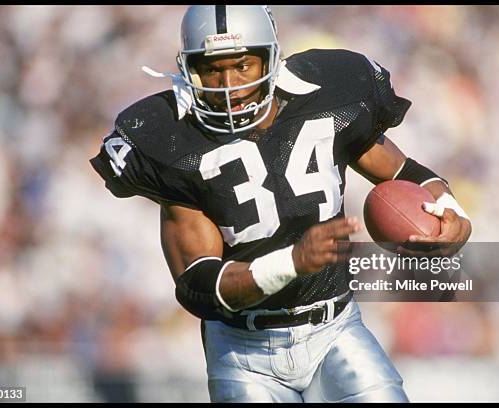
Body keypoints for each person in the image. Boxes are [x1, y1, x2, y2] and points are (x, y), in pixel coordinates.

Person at [90, 5, 472, 402]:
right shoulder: (172, 140)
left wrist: (449, 208)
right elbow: (198, 284)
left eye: (242, 66)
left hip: (334, 328)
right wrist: (292, 262)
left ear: (271, 59)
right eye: (212, 69)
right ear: (189, 69)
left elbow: (402, 171)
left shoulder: (331, 95)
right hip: (244, 350)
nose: (228, 84)